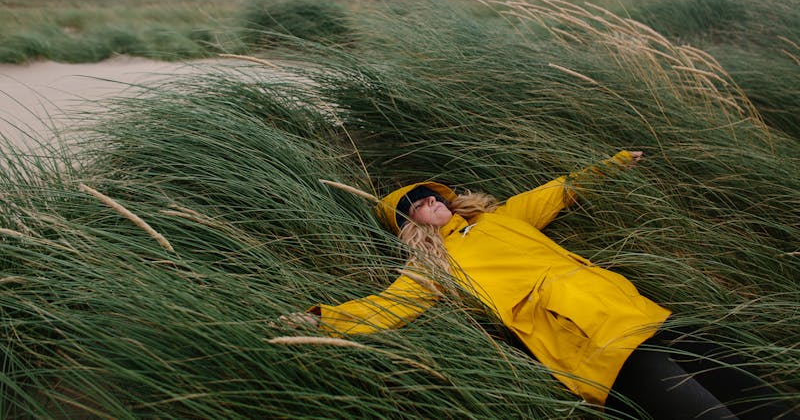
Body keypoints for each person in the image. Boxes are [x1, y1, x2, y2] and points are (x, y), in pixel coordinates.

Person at [282, 151, 797, 419]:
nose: (428, 203)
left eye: (428, 195)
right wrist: (324, 320)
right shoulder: (433, 266)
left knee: (745, 384)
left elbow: (558, 191)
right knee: (702, 412)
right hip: (587, 339)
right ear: (409, 224)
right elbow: (387, 306)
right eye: (414, 205)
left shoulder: (502, 216)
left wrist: (613, 165)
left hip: (631, 307)